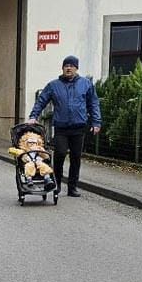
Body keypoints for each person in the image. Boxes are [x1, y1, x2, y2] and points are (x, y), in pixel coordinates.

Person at [26, 55, 101, 197]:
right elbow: (41, 101)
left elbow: (93, 103)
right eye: (66, 66)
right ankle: (57, 183)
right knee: (60, 154)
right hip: (61, 127)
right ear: (62, 68)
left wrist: (96, 122)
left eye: (71, 66)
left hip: (78, 127)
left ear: (76, 68)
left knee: (75, 157)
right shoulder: (53, 85)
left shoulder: (86, 84)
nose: (68, 68)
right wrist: (33, 116)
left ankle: (72, 187)